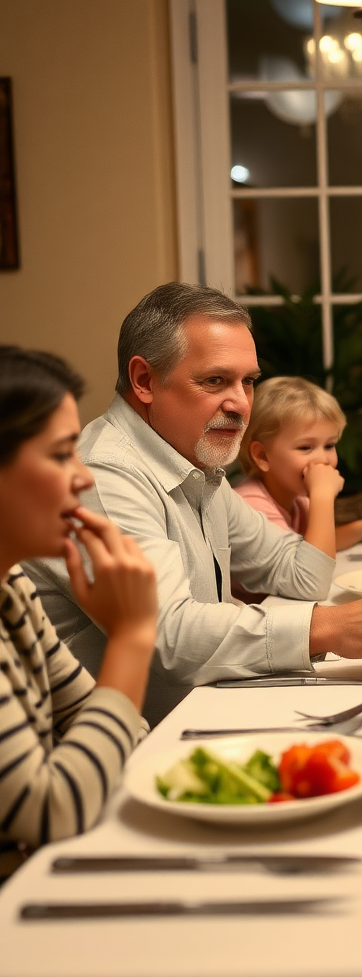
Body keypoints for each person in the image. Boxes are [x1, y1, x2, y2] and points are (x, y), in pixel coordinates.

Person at [25, 283, 362, 725]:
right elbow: (169, 637)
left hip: (199, 716)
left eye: (249, 381)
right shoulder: (102, 475)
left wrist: (334, 622)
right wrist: (327, 627)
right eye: (215, 380)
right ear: (145, 380)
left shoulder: (193, 461)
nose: (241, 404)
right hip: (124, 751)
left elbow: (295, 570)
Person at [0, 347, 157, 880]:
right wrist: (133, 635)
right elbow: (50, 812)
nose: (84, 478)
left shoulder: (10, 586)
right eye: (63, 454)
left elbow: (119, 734)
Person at [235, 376, 362, 556]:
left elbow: (315, 542)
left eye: (329, 445)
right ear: (262, 455)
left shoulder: (297, 499)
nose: (323, 460)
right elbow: (311, 568)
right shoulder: (253, 510)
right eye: (305, 447)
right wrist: (322, 496)